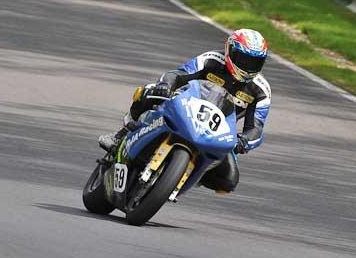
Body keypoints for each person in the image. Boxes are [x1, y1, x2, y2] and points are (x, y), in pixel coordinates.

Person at [98, 28, 271, 194]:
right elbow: (178, 74)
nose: (247, 66)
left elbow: (255, 128)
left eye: (255, 62)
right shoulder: (212, 59)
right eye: (242, 58)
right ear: (229, 50)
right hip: (185, 107)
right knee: (148, 91)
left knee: (229, 181)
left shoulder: (261, 90)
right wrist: (165, 86)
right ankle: (121, 134)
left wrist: (244, 141)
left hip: (216, 130)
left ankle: (188, 173)